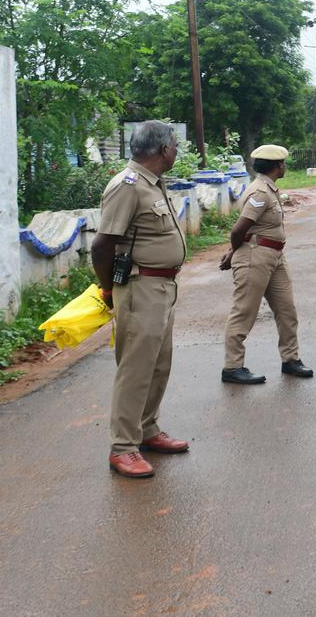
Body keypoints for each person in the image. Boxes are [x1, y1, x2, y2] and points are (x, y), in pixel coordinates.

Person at [91, 120, 191, 479]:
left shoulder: (153, 184)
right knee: (134, 369)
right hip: (139, 288)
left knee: (158, 365)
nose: (177, 151)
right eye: (175, 146)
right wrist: (108, 291)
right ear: (163, 149)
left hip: (162, 288)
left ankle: (147, 429)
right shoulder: (128, 186)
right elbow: (102, 245)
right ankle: (123, 448)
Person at [220, 145, 314, 385]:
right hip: (255, 256)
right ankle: (232, 367)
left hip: (274, 256)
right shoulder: (260, 192)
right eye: (283, 163)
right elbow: (239, 229)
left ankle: (290, 359)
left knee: (287, 310)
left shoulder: (268, 188)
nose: (285, 166)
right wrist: (233, 252)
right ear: (278, 166)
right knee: (244, 311)